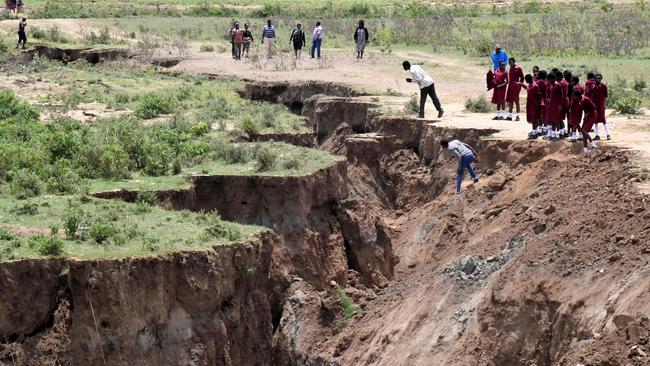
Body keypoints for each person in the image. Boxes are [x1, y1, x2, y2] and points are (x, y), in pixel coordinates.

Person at [519, 74, 542, 139]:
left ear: (529, 79)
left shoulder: (535, 86)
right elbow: (527, 88)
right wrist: (521, 84)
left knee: (534, 119)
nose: (526, 81)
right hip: (530, 103)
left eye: (526, 80)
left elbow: (539, 95)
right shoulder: (530, 84)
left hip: (535, 104)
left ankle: (535, 133)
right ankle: (534, 131)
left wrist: (539, 105)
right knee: (532, 118)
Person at [590, 74, 610, 140]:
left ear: (601, 79)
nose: (598, 79)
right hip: (595, 105)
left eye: (599, 78)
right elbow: (591, 95)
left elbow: (606, 95)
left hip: (601, 105)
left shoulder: (604, 86)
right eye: (597, 78)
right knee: (595, 120)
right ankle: (597, 135)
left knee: (603, 119)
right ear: (594, 79)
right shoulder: (592, 87)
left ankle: (608, 134)